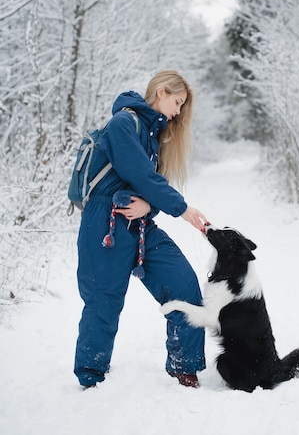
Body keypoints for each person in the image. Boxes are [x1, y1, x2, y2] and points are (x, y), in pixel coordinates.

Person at [74, 69, 208, 389]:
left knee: (184, 284)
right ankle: (90, 377)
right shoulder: (123, 123)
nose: (178, 112)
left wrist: (150, 206)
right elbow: (139, 174)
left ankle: (184, 365)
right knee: (104, 302)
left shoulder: (152, 135)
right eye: (177, 102)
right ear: (160, 92)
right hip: (105, 224)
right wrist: (183, 209)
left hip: (142, 226)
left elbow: (150, 188)